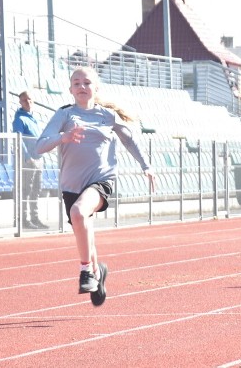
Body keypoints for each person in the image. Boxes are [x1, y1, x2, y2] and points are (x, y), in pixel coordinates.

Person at [36, 66, 155, 306]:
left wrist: (146, 166)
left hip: (101, 180)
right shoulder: (64, 115)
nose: (82, 86)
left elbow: (129, 140)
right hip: (71, 184)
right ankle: (98, 273)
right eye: (76, 83)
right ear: (70, 89)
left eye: (87, 82)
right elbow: (40, 147)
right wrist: (63, 137)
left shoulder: (107, 116)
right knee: (83, 225)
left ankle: (86, 271)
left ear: (95, 88)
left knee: (79, 212)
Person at [12, 90, 48, 229]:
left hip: (38, 158)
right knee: (26, 189)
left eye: (30, 100)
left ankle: (34, 217)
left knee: (36, 189)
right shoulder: (19, 119)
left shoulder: (34, 118)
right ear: (20, 102)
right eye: (25, 100)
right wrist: (27, 157)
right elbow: (18, 139)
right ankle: (23, 219)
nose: (28, 102)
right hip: (28, 160)